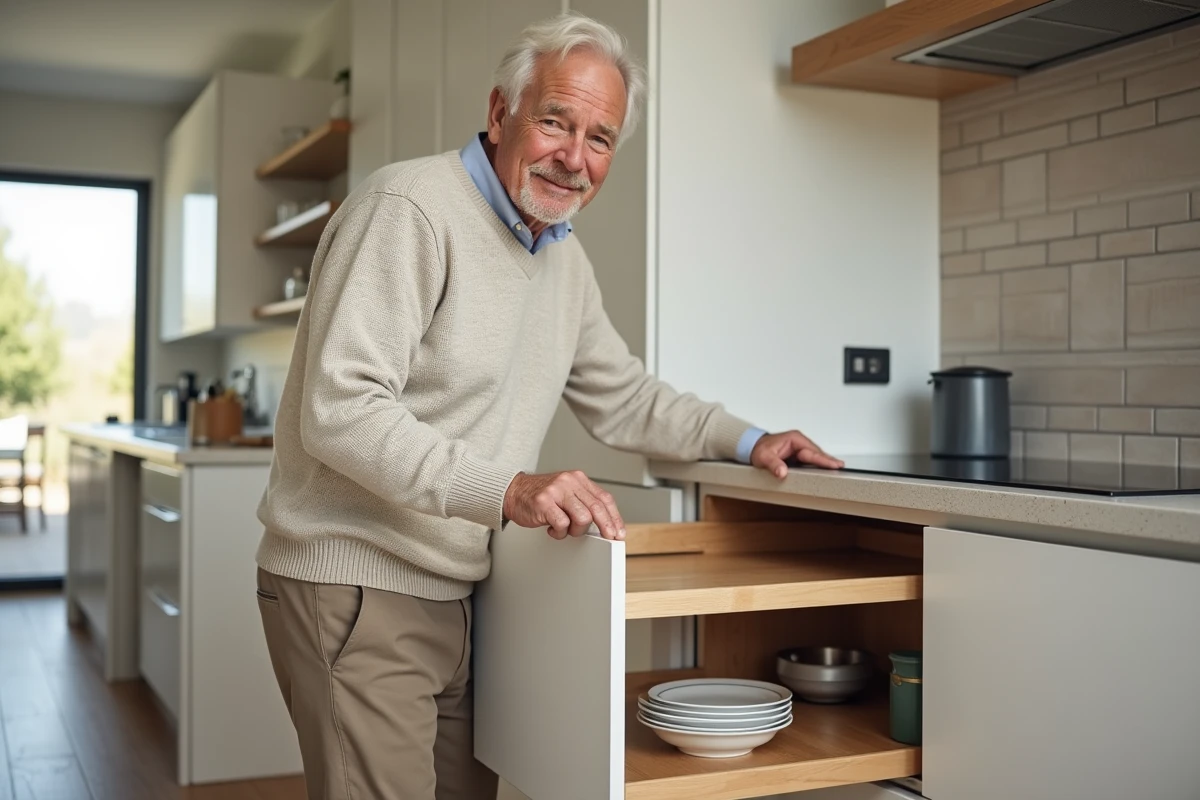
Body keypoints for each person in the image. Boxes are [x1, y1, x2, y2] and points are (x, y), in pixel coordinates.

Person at [253, 12, 843, 800]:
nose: (574, 157)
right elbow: (340, 409)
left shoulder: (560, 257)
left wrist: (751, 439)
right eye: (555, 122)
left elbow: (624, 397)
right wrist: (509, 489)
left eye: (599, 138)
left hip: (460, 592)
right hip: (358, 582)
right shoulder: (409, 208)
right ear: (501, 114)